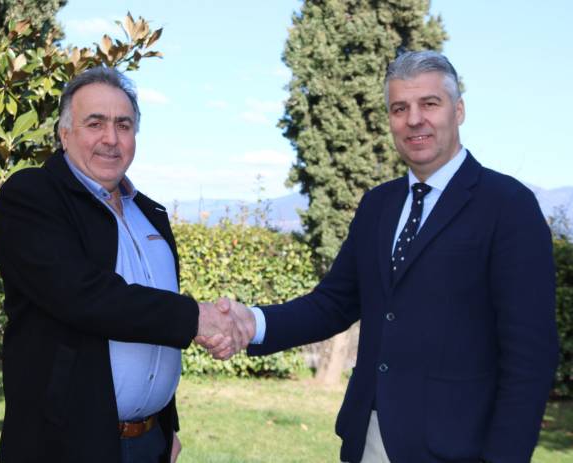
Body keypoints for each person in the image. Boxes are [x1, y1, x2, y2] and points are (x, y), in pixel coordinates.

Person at [202, 50, 559, 462]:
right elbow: (333, 303)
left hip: (461, 447)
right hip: (369, 438)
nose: (414, 120)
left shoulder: (508, 205)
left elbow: (530, 355)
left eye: (429, 104)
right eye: (399, 108)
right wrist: (252, 323)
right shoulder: (378, 205)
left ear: (458, 110)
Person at [0, 66, 253, 463]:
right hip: (64, 445)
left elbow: (152, 324)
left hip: (150, 441)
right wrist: (196, 318)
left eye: (124, 125)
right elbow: (85, 296)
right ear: (65, 133)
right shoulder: (33, 196)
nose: (111, 139)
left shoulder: (151, 214)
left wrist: (165, 425)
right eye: (95, 123)